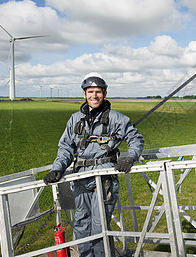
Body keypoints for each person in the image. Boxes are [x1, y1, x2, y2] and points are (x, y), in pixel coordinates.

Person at [43, 72, 144, 257]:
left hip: (103, 180)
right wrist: (57, 168)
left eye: (98, 92)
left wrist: (130, 157)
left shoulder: (116, 118)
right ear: (84, 94)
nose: (94, 95)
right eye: (90, 91)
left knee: (99, 227)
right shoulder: (75, 120)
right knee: (81, 224)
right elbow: (66, 147)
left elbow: (136, 138)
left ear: (105, 93)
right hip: (81, 180)